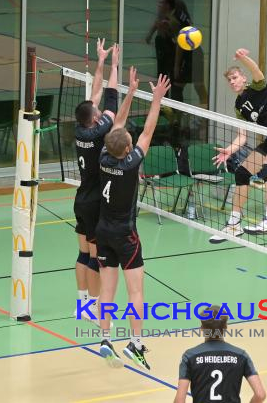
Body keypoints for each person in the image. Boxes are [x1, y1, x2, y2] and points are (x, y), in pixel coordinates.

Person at [96, 72, 171, 370]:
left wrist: (129, 93)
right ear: (128, 149)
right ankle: (136, 343)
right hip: (126, 235)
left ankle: (104, 338)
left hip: (103, 232)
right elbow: (149, 130)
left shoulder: (104, 156)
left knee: (106, 290)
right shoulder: (131, 164)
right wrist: (156, 99)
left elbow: (117, 126)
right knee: (136, 291)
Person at [209, 48, 267, 243]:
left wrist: (243, 58)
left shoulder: (258, 88)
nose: (232, 82)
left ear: (243, 77)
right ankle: (234, 224)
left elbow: (256, 69)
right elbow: (242, 137)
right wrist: (230, 150)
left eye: (235, 77)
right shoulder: (239, 106)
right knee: (242, 172)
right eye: (229, 80)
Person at [72, 39, 119, 320]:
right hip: (95, 202)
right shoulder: (98, 131)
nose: (100, 112)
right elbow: (111, 97)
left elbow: (96, 93)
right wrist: (115, 65)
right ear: (95, 119)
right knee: (95, 258)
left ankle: (82, 303)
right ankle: (92, 306)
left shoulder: (80, 129)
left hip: (81, 198)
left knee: (82, 254)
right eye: (98, 114)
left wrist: (100, 61)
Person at [173, 304, 266, 403]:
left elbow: (180, 400)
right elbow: (260, 394)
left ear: (202, 329)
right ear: (225, 327)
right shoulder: (241, 355)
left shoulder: (190, 356)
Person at [145, 0, 207, 106]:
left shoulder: (175, 19)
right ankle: (176, 117)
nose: (158, 5)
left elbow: (180, 44)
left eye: (161, 3)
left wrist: (176, 67)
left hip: (192, 54)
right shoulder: (169, 15)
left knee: (197, 86)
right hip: (187, 52)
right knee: (177, 87)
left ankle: (204, 115)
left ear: (167, 6)